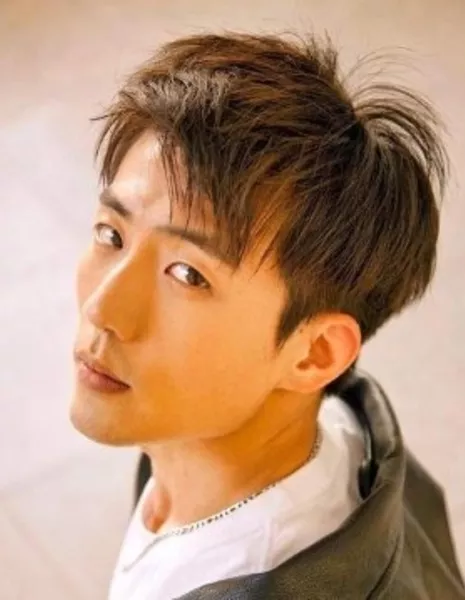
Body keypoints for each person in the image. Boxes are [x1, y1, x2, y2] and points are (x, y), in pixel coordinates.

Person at [70, 31, 465, 599]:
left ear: (315, 353)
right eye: (112, 234)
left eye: (188, 275)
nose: (102, 308)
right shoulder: (345, 434)